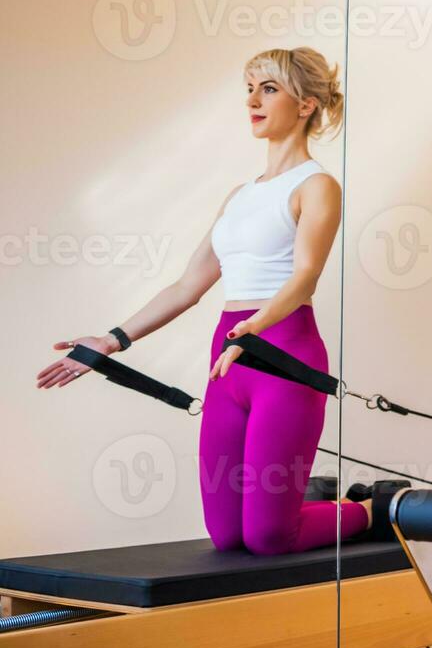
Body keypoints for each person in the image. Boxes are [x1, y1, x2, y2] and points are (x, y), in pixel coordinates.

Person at [36, 47, 373, 554]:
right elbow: (188, 286)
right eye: (249, 88)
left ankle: (377, 507)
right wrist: (111, 340)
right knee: (227, 533)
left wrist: (252, 333)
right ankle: (312, 502)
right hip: (229, 357)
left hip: (283, 353)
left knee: (268, 536)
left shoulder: (317, 185)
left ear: (305, 105)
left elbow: (304, 279)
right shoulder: (239, 196)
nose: (253, 101)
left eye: (268, 89)